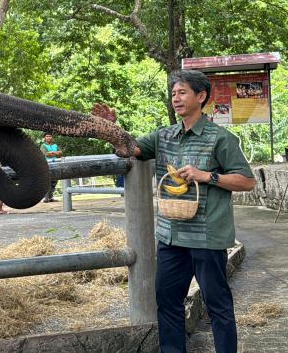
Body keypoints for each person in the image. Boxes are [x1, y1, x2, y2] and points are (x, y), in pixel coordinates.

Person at [94, 70, 255, 353]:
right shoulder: (163, 136)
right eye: (173, 94)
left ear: (201, 96)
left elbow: (246, 181)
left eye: (182, 92)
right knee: (167, 302)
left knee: (217, 305)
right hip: (171, 236)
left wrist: (206, 176)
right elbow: (130, 149)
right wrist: (112, 131)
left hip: (207, 237)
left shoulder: (221, 139)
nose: (176, 98)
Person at [40, 133, 62, 202]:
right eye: (47, 136)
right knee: (48, 180)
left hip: (56, 164)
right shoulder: (43, 146)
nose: (49, 137)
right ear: (45, 138)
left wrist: (52, 152)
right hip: (47, 165)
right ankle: (46, 197)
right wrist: (55, 153)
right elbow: (46, 154)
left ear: (52, 137)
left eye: (50, 136)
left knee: (54, 181)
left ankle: (50, 197)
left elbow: (61, 153)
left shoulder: (55, 145)